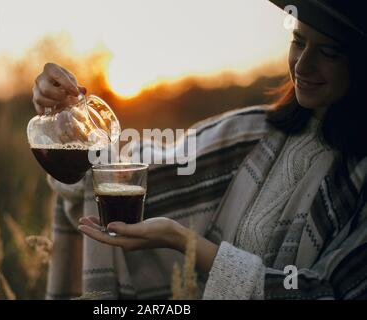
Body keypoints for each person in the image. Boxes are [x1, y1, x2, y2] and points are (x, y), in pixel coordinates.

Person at [32, 0, 367, 299]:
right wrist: (64, 116)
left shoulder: (358, 178)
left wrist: (183, 241)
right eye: (298, 41)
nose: (303, 65)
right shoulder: (252, 133)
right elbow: (118, 171)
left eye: (329, 52)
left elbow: (328, 290)